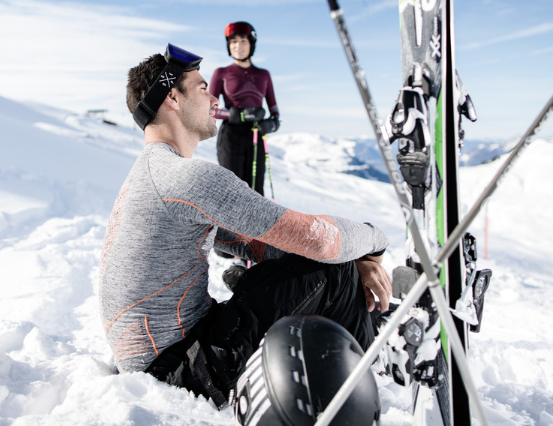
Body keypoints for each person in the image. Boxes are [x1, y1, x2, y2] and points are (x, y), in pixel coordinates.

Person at [100, 43, 392, 409]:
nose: (214, 100)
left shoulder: (152, 173)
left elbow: (263, 242)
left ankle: (361, 325)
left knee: (311, 264)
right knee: (331, 271)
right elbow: (317, 241)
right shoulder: (184, 177)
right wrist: (372, 245)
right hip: (176, 370)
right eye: (203, 88)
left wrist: (313, 264)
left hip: (166, 356)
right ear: (172, 98)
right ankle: (366, 370)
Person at [210, 22, 280, 197]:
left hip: (256, 136)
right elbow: (209, 109)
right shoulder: (221, 73)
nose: (237, 46)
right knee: (232, 192)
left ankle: (259, 225)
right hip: (231, 136)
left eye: (243, 41)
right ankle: (225, 226)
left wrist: (270, 125)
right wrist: (237, 115)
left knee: (256, 193)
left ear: (251, 44)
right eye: (233, 41)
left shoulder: (263, 75)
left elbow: (275, 114)